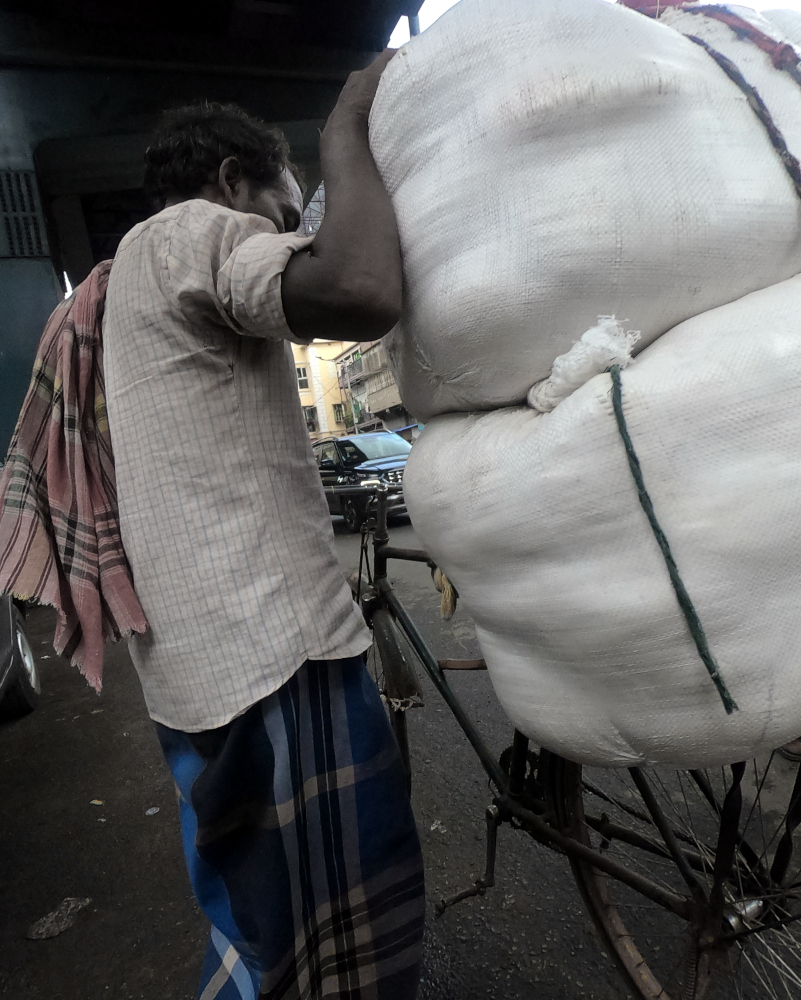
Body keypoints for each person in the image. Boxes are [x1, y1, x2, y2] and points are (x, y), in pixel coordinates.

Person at [101, 52, 424, 1000]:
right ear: (237, 182)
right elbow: (360, 290)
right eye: (286, 216)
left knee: (258, 922)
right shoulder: (194, 231)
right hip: (267, 655)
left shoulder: (125, 278)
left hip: (204, 667)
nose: (288, 236)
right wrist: (344, 130)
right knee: (316, 925)